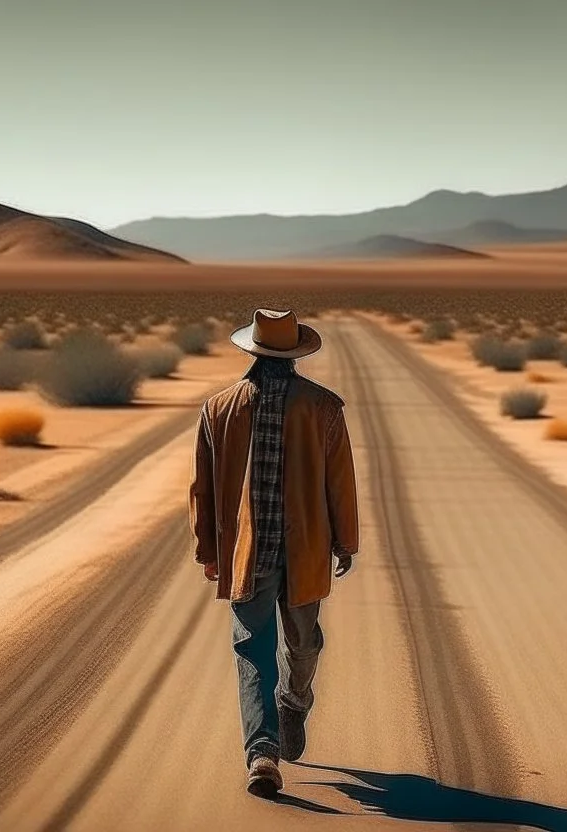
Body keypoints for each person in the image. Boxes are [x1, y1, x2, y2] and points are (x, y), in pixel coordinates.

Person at [188, 308, 359, 798]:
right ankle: (262, 754)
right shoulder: (220, 410)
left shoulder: (321, 409)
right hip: (259, 550)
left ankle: (292, 700)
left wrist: (346, 539)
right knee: (257, 646)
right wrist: (209, 549)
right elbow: (203, 485)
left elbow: (338, 481)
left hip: (293, 548)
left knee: (298, 645)